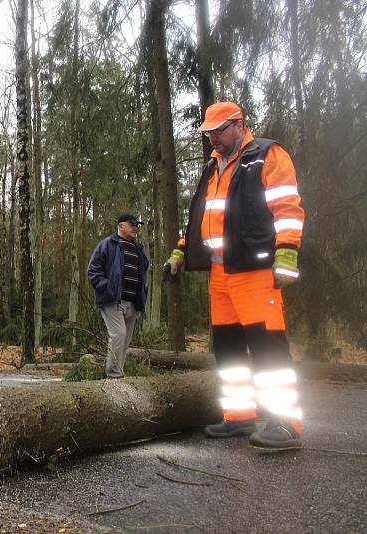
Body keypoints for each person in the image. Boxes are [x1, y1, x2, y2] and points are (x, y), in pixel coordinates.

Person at [164, 101, 305, 449]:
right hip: (219, 271)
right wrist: (182, 250)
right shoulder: (212, 168)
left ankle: (285, 423)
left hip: (254, 270)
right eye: (209, 131)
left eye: (219, 130)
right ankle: (239, 417)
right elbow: (201, 218)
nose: (213, 137)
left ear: (239, 124)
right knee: (228, 349)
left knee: (268, 346)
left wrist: (286, 253)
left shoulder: (266, 155)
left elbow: (287, 208)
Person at [87, 213, 150, 379]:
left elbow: (142, 272)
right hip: (112, 300)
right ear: (121, 226)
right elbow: (93, 270)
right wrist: (106, 287)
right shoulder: (108, 245)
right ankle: (113, 375)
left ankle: (119, 374)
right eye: (132, 224)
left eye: (137, 225)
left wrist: (143, 291)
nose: (136, 228)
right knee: (118, 335)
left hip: (133, 302)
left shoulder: (138, 249)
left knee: (125, 341)